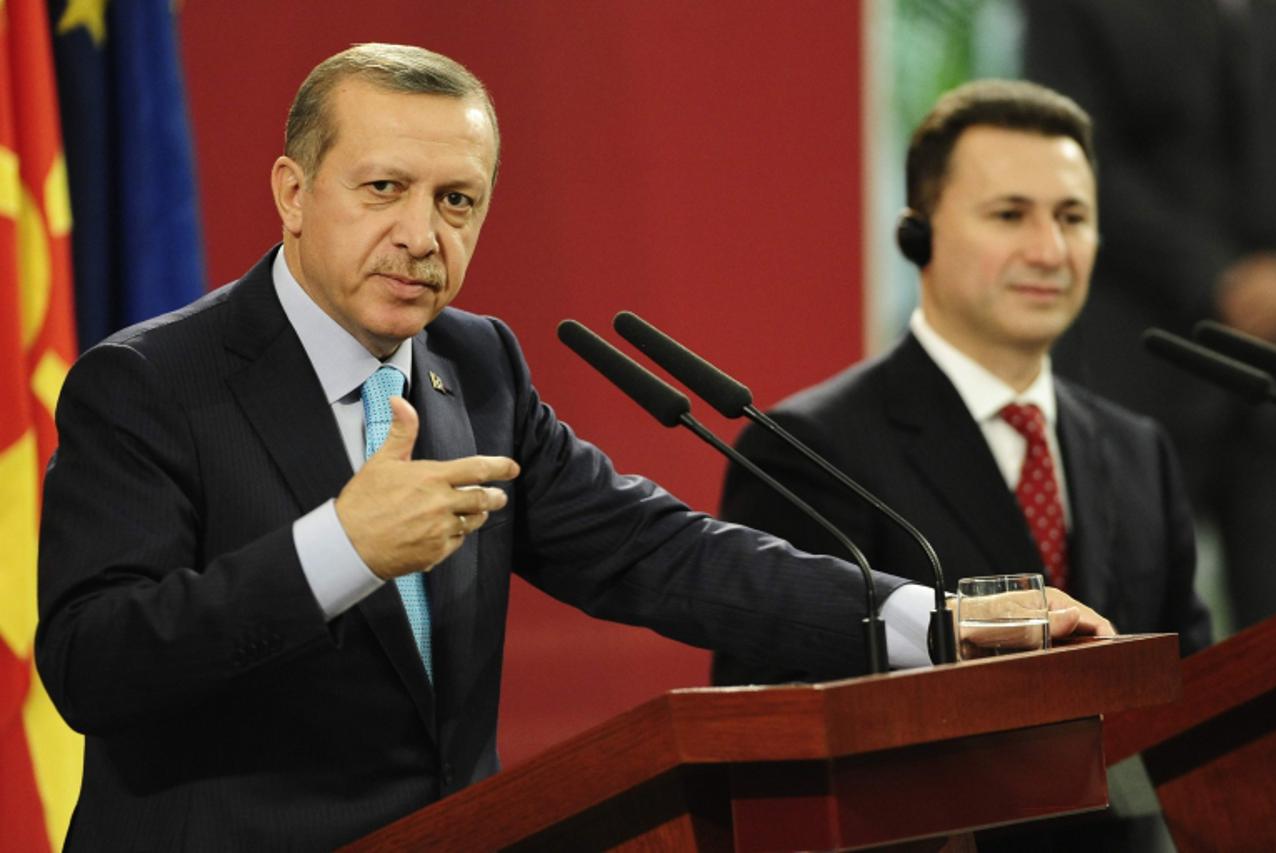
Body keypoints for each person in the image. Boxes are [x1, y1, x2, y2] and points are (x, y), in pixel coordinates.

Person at [34, 47, 1113, 849]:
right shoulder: (149, 384)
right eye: (382, 190)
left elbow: (660, 553)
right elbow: (94, 662)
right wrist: (338, 548)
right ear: (291, 193)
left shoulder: (477, 366)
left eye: (457, 200)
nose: (422, 234)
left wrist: (937, 622)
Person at [711, 78, 1210, 849]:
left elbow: (1196, 693)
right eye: (1010, 214)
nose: (1049, 249)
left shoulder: (1137, 447)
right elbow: (770, 728)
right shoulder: (809, 448)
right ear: (919, 235)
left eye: (1072, 217)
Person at [1021, 0, 1276, 632]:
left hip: (1270, 375)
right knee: (1133, 629)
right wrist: (1219, 279)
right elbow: (1075, 153)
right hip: (1140, 352)